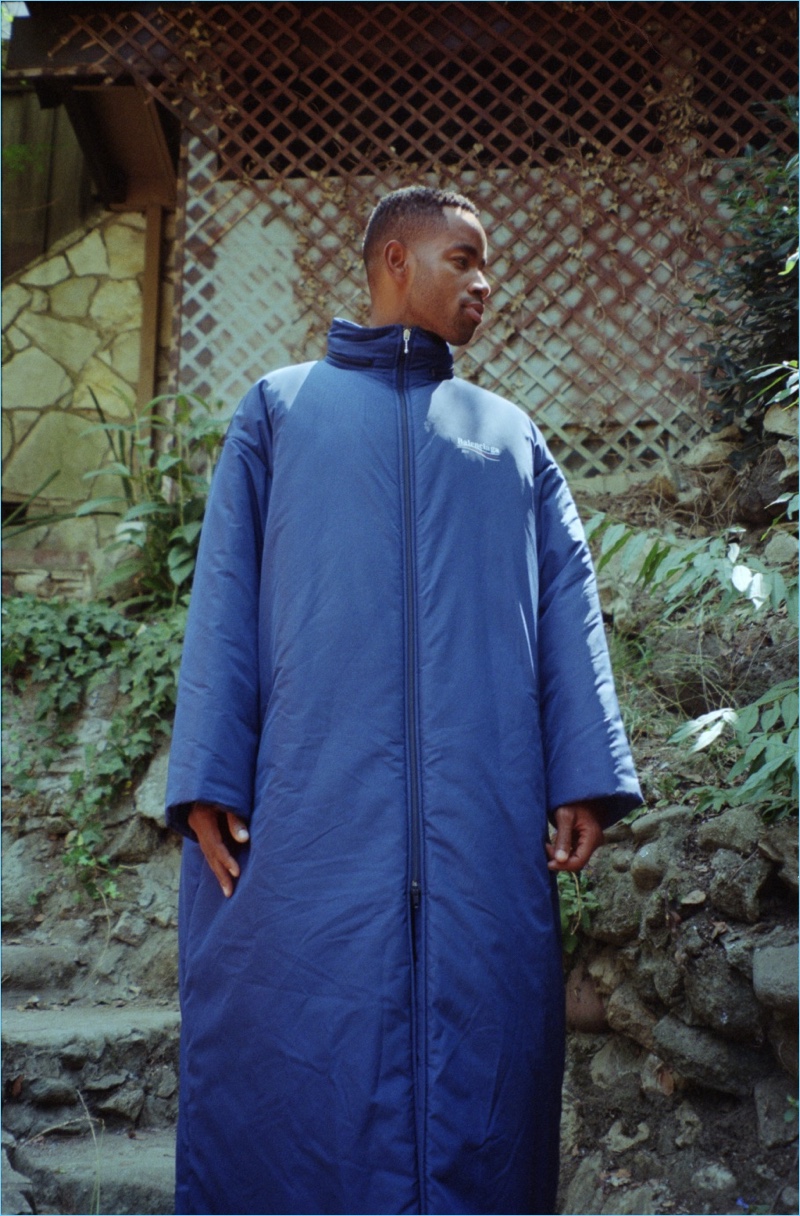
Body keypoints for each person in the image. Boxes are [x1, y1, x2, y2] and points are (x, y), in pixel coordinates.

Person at [166, 185, 642, 1216]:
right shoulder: (279, 411)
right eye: (462, 260)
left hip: (479, 828)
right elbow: (224, 600)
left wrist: (582, 778)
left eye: (488, 266)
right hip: (308, 824)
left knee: (481, 1084)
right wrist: (205, 774)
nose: (483, 284)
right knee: (291, 1076)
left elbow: (566, 605)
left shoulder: (507, 438)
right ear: (392, 262)